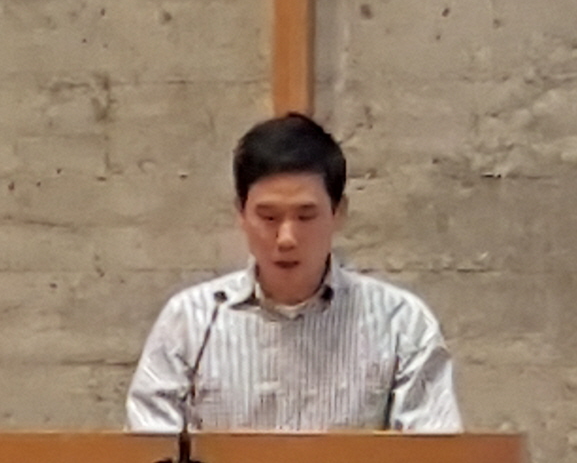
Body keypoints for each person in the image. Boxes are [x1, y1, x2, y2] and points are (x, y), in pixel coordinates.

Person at [126, 113, 462, 433]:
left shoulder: (401, 323)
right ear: (241, 214)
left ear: (339, 213)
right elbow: (146, 453)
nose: (286, 238)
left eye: (305, 216)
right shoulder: (190, 321)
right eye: (269, 217)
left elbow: (434, 456)